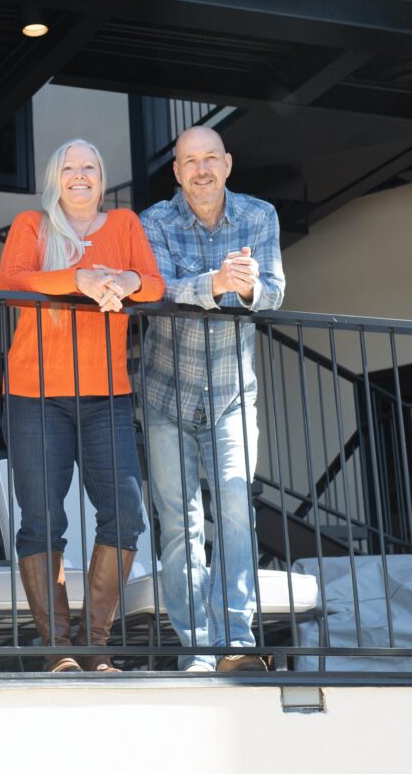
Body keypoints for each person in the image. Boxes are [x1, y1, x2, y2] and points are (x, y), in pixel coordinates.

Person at [0, 138, 165, 673]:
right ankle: (59, 651)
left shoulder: (124, 227)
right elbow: (14, 283)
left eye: (88, 167)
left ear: (101, 175)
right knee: (42, 520)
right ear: (55, 178)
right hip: (34, 394)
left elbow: (155, 287)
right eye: (68, 168)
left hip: (107, 395)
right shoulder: (33, 225)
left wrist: (128, 280)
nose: (79, 176)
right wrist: (82, 280)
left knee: (125, 514)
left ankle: (95, 646)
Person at [138, 125, 285, 673]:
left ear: (226, 163)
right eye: (188, 161)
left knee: (235, 511)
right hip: (164, 392)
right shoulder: (153, 222)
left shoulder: (258, 216)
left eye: (209, 159)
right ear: (177, 172)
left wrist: (246, 289)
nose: (200, 170)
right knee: (180, 524)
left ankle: (236, 645)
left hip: (231, 394)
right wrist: (218, 282)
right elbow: (157, 290)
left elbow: (272, 290)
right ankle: (197, 652)